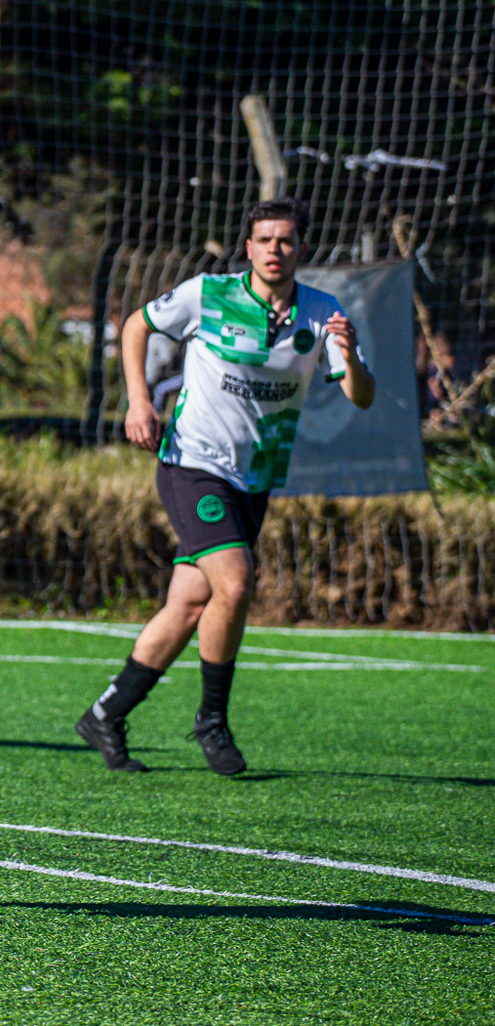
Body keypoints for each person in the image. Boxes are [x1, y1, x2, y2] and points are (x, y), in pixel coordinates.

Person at [76, 199, 373, 776]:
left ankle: (105, 715)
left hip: (255, 476)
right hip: (191, 463)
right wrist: (138, 400)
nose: (274, 250)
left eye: (285, 240)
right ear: (248, 247)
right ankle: (212, 720)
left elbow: (359, 396)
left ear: (301, 248)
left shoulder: (323, 313)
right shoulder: (208, 294)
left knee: (189, 603)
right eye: (264, 239)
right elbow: (137, 325)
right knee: (234, 583)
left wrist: (352, 355)